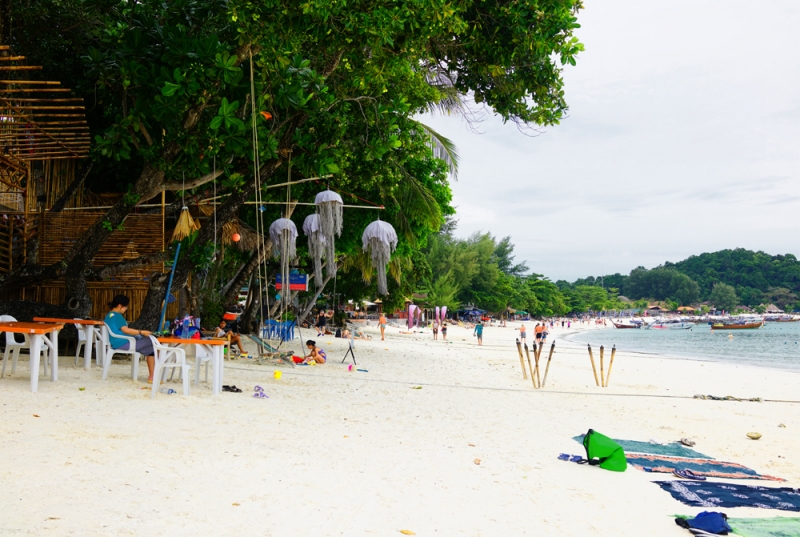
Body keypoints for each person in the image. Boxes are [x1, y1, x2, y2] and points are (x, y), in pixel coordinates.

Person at [104, 295, 156, 383]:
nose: (127, 308)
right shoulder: (117, 316)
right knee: (153, 340)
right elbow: (126, 330)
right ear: (120, 306)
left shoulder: (109, 315)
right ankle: (153, 376)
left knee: (151, 349)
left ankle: (152, 377)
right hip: (124, 343)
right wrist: (141, 332)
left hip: (116, 343)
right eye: (126, 306)